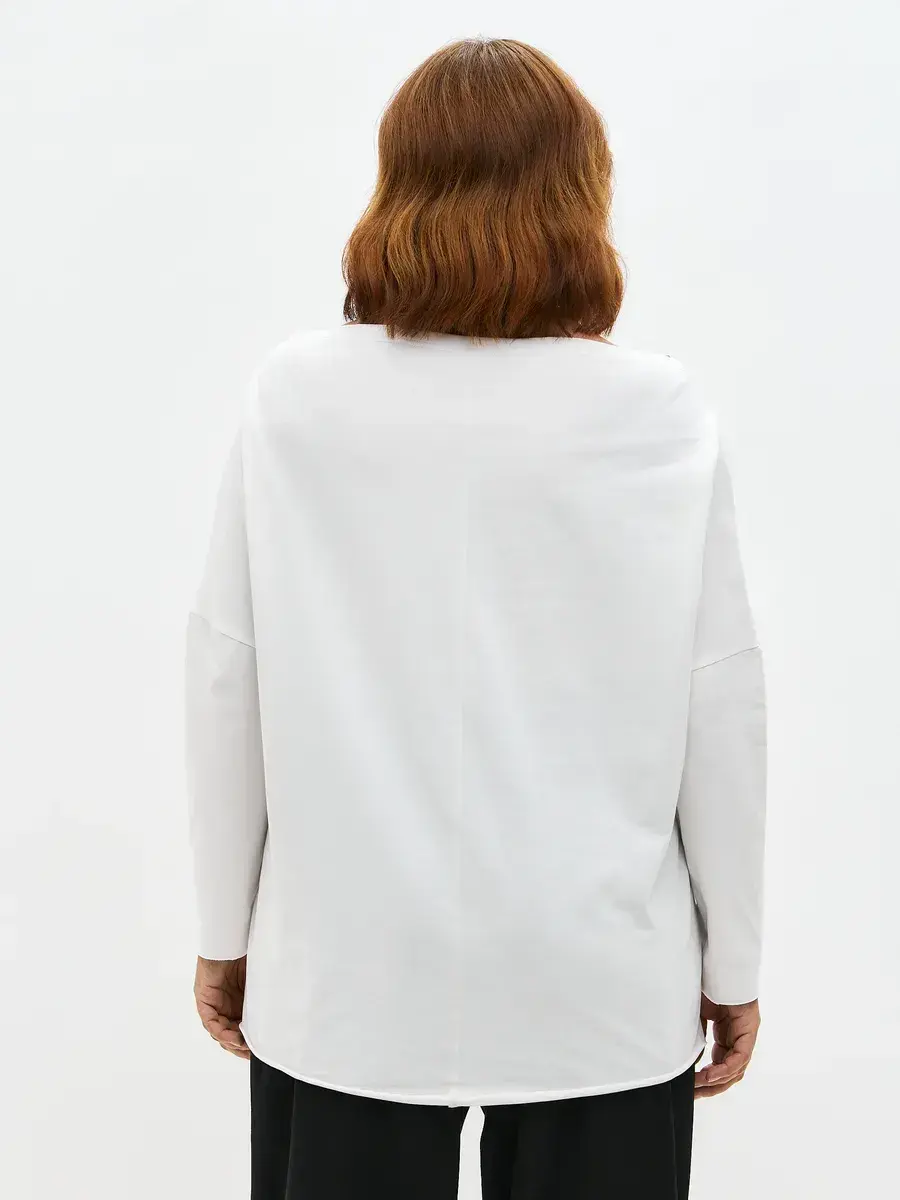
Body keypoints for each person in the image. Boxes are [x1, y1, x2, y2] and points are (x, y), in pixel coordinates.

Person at [185, 37, 766, 1200]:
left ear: (399, 184)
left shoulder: (297, 399)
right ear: (579, 193)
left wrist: (227, 932)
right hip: (599, 978)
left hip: (347, 968)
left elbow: (226, 676)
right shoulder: (656, 414)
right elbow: (721, 700)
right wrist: (735, 957)